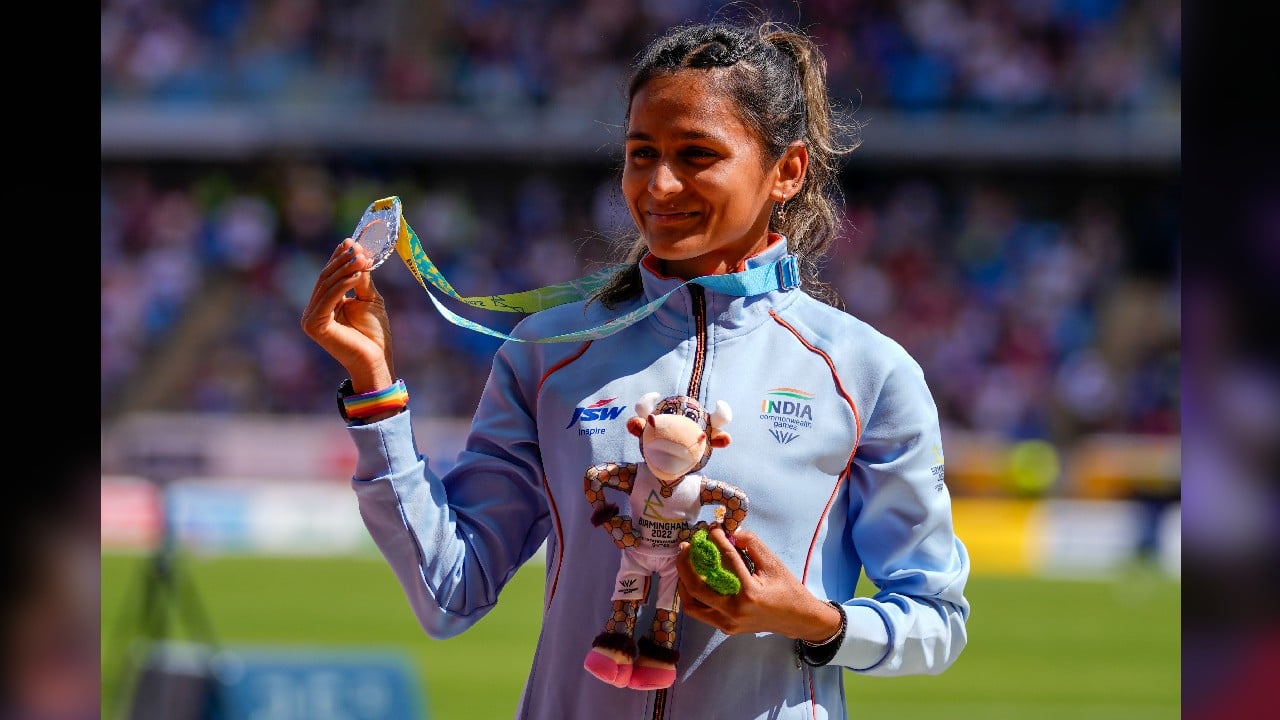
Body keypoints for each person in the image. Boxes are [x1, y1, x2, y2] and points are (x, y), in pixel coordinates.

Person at [302, 17, 970, 720]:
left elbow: (937, 620)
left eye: (697, 154)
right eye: (641, 152)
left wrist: (812, 618)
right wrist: (375, 390)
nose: (660, 183)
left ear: (788, 171)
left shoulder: (865, 372)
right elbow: (449, 593)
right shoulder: (549, 353)